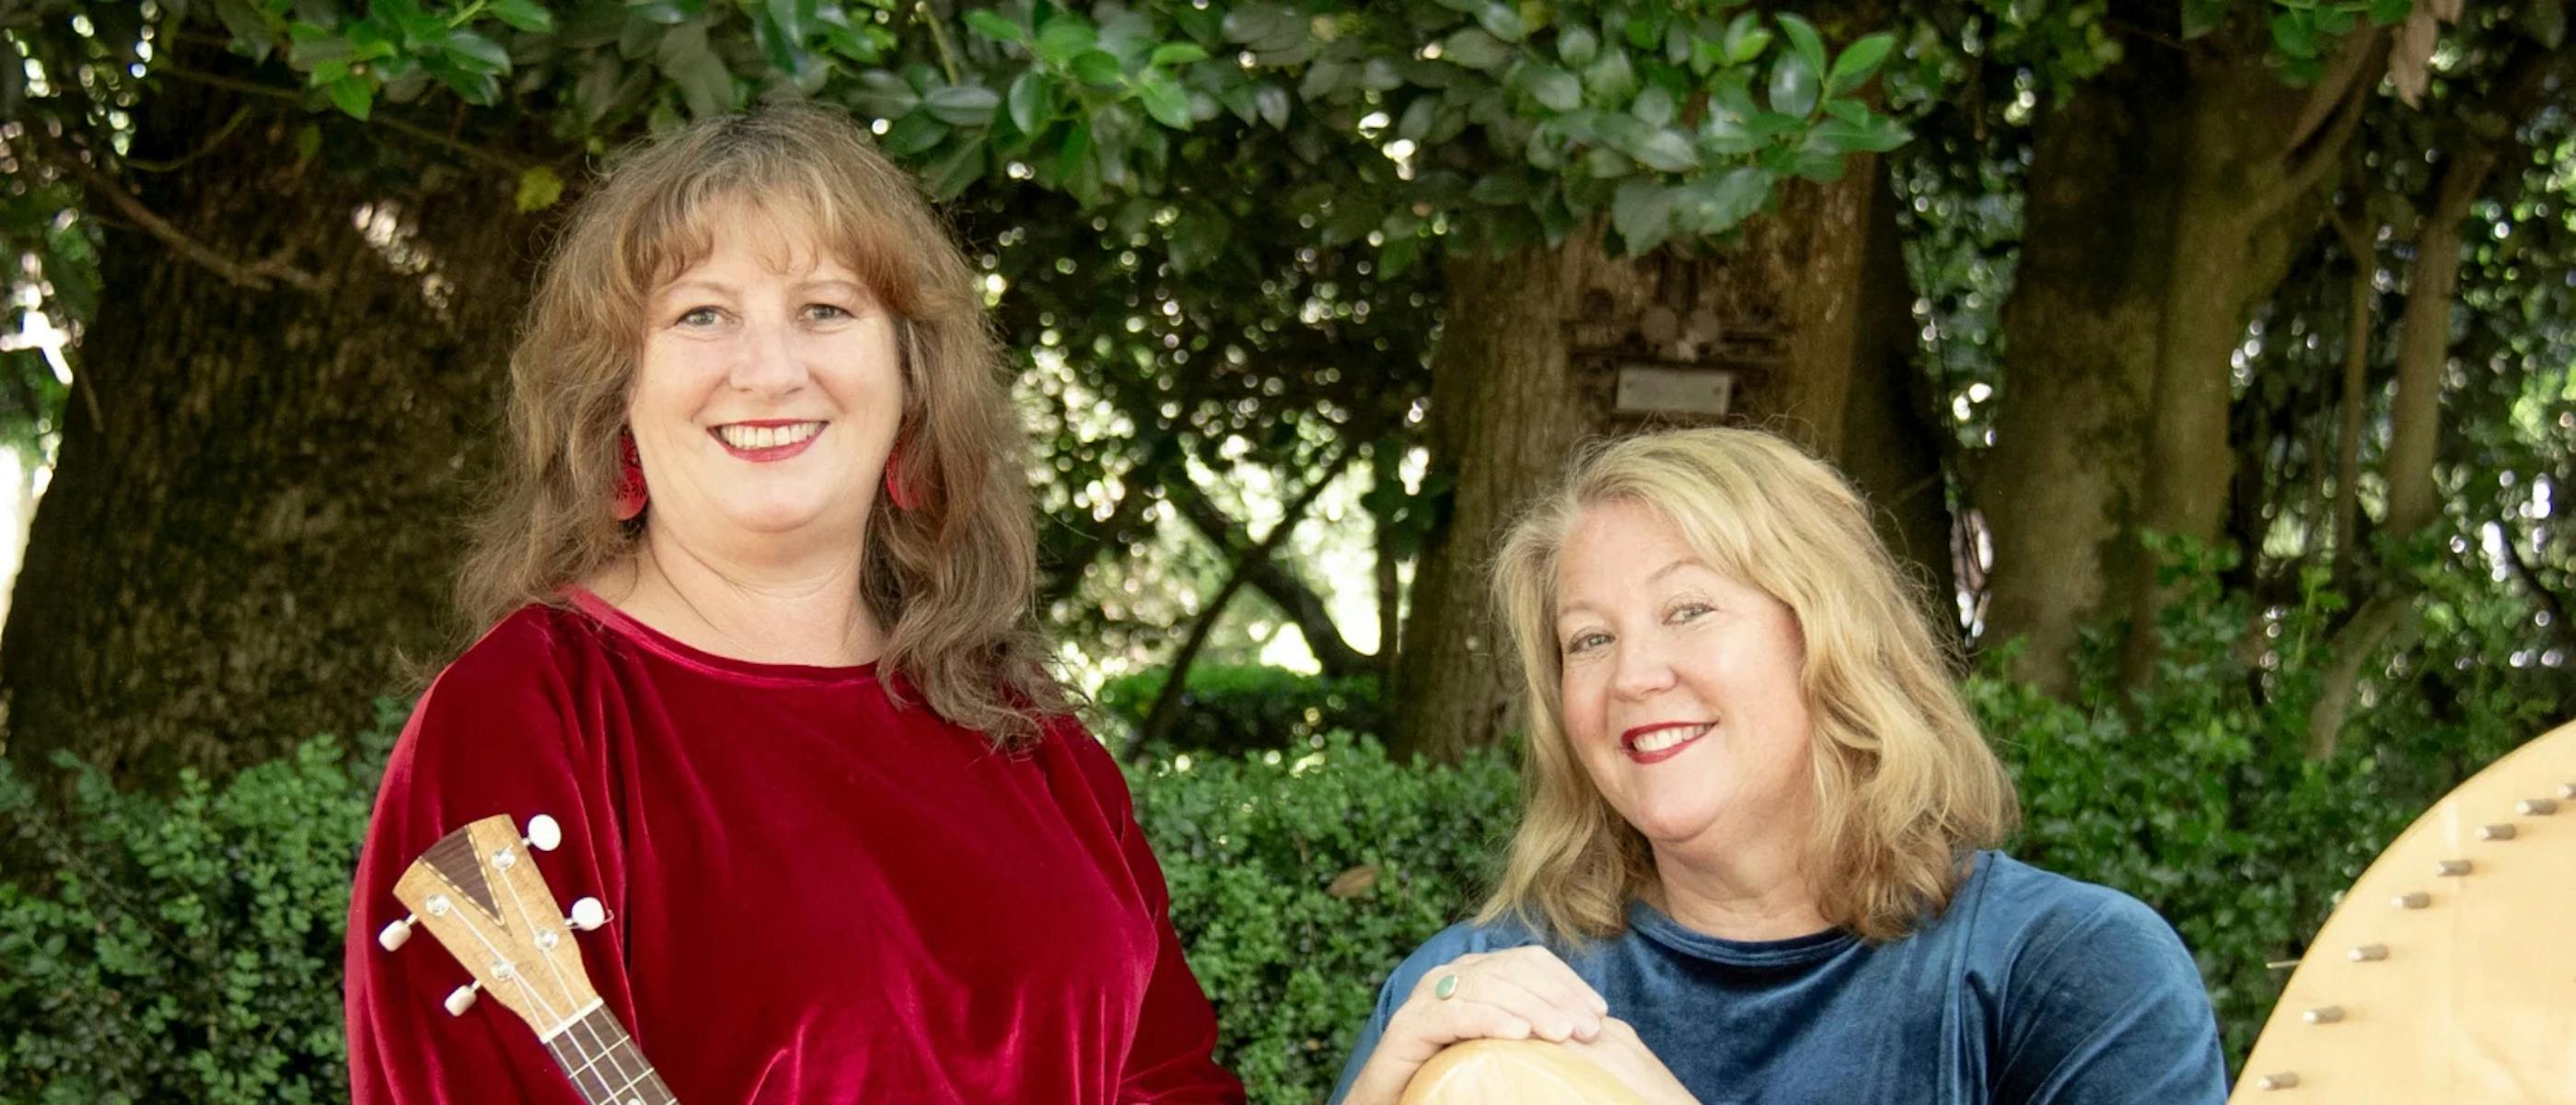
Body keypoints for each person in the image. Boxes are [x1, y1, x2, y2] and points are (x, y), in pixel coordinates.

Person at [342, 104, 1243, 1104]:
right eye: (701, 314)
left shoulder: (1023, 731)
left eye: (824, 309)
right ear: (613, 396)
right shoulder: (525, 717)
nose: (768, 373)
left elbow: (1169, 1083)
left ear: (912, 383)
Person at [1333, 428, 2226, 1104]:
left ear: (1831, 639)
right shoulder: (1474, 984)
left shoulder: (2068, 970)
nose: (1632, 677)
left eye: (1687, 610)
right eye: (1589, 640)